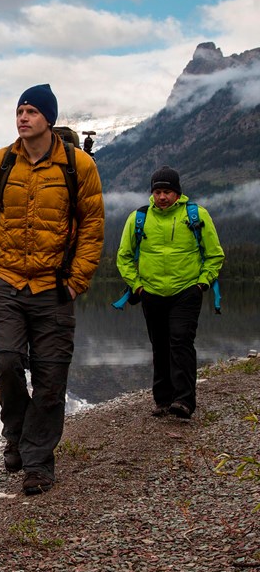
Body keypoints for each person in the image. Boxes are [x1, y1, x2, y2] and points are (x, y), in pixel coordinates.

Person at [0, 84, 104, 495]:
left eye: (31, 111)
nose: (23, 117)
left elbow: (92, 227)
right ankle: (16, 434)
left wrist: (76, 281)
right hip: (8, 284)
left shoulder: (77, 166)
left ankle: (37, 465)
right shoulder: (0, 163)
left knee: (50, 379)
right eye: (19, 110)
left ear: (49, 118)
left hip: (54, 288)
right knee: (7, 363)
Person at [116, 165, 224, 420]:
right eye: (157, 191)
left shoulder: (196, 215)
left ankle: (184, 401)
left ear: (177, 193)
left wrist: (202, 284)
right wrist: (137, 286)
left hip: (186, 291)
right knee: (160, 345)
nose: (162, 197)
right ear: (152, 193)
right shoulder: (138, 218)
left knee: (181, 341)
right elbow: (124, 256)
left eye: (167, 191)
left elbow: (215, 254)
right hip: (150, 293)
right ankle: (163, 400)